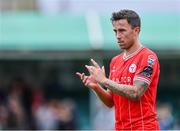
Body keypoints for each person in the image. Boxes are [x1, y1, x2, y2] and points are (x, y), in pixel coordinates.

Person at [76, 9, 160, 130]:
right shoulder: (115, 61)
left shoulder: (148, 57)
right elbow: (110, 102)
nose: (117, 36)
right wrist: (96, 87)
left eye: (122, 31)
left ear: (136, 31)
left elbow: (136, 93)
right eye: (115, 31)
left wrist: (104, 81)